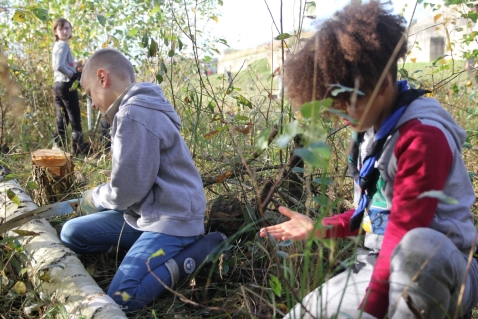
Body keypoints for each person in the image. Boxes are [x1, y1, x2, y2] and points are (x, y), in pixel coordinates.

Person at [260, 2, 478, 319]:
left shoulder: (422, 138)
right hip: (377, 264)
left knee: (418, 247)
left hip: (441, 269)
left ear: (384, 85)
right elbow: (373, 216)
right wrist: (318, 227)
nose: (343, 115)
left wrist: (370, 308)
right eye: (335, 104)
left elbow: (402, 233)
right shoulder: (370, 132)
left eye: (351, 104)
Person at [59, 48, 215, 311]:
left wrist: (95, 197)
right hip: (146, 214)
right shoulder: (132, 110)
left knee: (123, 298)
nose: (93, 104)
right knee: (71, 233)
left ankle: (198, 252)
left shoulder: (134, 114)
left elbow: (126, 191)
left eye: (89, 94)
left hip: (172, 219)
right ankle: (143, 253)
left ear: (102, 78)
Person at [51, 18, 89, 155]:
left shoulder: (56, 45)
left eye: (67, 28)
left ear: (71, 30)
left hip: (57, 85)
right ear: (55, 31)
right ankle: (79, 152)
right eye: (61, 29)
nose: (65, 31)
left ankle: (58, 149)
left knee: (61, 119)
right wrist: (73, 76)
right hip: (66, 85)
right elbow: (59, 66)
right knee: (74, 118)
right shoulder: (63, 45)